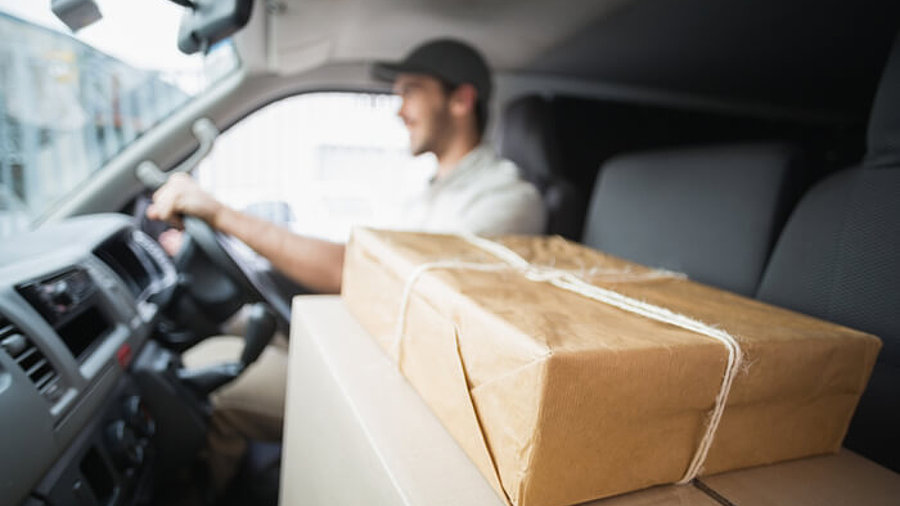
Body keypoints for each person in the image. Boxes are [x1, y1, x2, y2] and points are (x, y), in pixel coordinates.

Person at [147, 38, 546, 492]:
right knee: (223, 339)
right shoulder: (427, 192)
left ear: (461, 99)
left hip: (407, 394)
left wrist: (221, 214)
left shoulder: (506, 201)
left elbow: (358, 270)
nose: (399, 111)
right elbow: (363, 261)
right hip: (366, 350)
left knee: (211, 378)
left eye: (411, 91)